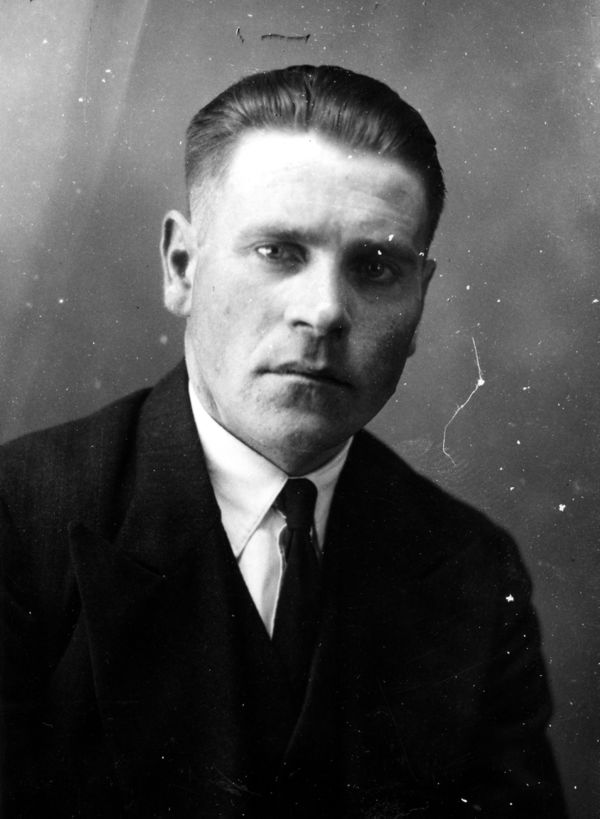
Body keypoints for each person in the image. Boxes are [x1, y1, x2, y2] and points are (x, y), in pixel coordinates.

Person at [0, 65, 566, 818]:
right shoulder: (19, 520)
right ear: (182, 267)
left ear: (420, 302)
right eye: (278, 252)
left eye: (376, 266)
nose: (325, 311)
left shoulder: (471, 569)